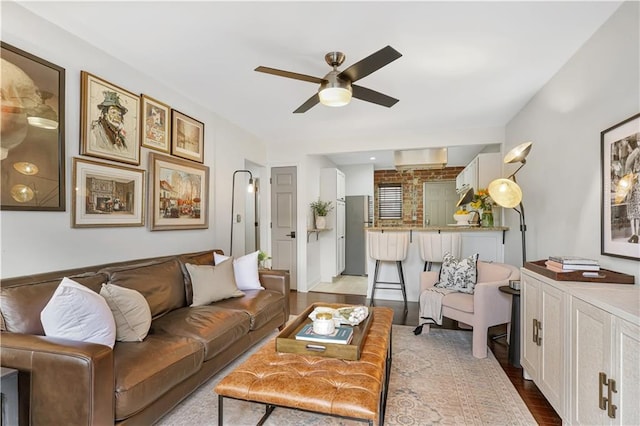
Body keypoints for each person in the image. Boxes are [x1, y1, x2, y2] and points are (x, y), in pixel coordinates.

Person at [625, 142, 640, 243]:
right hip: (638, 185)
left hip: (633, 185)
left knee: (631, 209)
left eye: (628, 147)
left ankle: (633, 234)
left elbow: (627, 171)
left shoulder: (633, 155)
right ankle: (636, 235)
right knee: (637, 210)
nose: (627, 149)